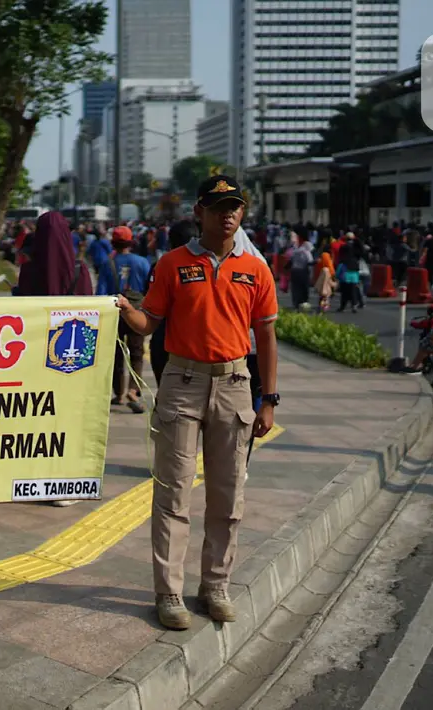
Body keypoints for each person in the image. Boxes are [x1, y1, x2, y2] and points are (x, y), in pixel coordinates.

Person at [115, 175, 279, 630]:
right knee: (173, 493)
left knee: (229, 496)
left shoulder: (256, 268)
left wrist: (269, 399)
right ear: (199, 213)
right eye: (219, 206)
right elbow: (149, 323)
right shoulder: (172, 264)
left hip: (235, 384)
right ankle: (169, 593)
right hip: (182, 383)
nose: (228, 214)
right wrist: (124, 311)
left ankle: (215, 586)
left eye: (236, 207)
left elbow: (265, 334)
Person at [14, 210, 93, 507]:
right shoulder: (78, 270)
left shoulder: (29, 270)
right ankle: (65, 485)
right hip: (69, 355)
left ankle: (37, 477)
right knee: (69, 417)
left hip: (35, 356)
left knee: (39, 417)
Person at [97, 226, 150, 413]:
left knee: (117, 355)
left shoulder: (107, 263)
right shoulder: (142, 262)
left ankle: (118, 393)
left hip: (115, 313)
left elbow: (101, 292)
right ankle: (134, 390)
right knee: (137, 353)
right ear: (130, 242)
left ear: (113, 243)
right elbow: (148, 289)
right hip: (136, 312)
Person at [149, 220, 197, 385]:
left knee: (164, 393)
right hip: (190, 344)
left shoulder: (159, 266)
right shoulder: (206, 268)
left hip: (162, 339)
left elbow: (148, 300)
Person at [288, 234, 313, 309]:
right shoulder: (306, 252)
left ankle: (296, 302)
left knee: (295, 288)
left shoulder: (295, 251)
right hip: (303, 271)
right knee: (304, 287)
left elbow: (290, 261)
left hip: (294, 271)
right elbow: (310, 262)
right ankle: (303, 302)